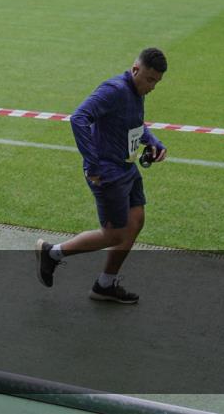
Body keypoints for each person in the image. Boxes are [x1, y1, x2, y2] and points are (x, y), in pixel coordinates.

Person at [36, 48, 168, 304]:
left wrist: (153, 141)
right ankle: (51, 254)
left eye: (157, 82)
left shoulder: (136, 91)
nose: (152, 86)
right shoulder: (114, 90)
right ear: (135, 69)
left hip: (127, 168)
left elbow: (134, 123)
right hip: (108, 173)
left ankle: (105, 284)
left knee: (136, 219)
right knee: (114, 234)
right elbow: (79, 118)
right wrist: (93, 165)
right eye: (150, 79)